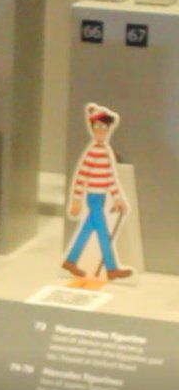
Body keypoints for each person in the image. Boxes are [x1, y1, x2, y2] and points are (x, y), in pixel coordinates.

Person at [62, 104, 132, 281]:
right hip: (93, 199)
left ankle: (70, 261)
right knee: (102, 233)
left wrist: (117, 199)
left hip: (101, 198)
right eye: (98, 128)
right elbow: (81, 176)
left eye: (104, 128)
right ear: (92, 129)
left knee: (87, 231)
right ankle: (111, 268)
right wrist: (76, 200)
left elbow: (110, 178)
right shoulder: (92, 152)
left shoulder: (105, 152)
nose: (101, 131)